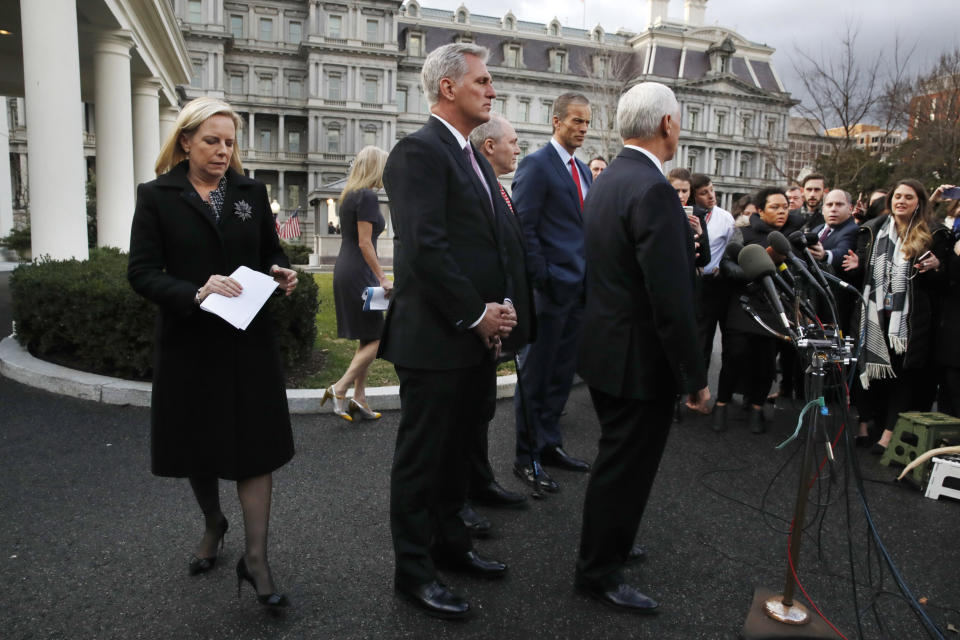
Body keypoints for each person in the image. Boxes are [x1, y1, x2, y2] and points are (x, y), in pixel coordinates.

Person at [127, 97, 298, 610]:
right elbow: (141, 272)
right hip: (190, 345)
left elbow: (270, 251)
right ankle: (212, 523)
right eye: (212, 141)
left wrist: (281, 270)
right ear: (185, 141)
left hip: (248, 343)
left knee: (256, 449)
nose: (224, 151)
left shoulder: (250, 192)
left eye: (229, 142)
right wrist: (194, 292)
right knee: (196, 445)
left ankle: (257, 560)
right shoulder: (157, 196)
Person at [379, 42, 521, 620]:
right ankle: (413, 573)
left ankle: (452, 547)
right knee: (423, 461)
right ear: (448, 88)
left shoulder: (469, 156)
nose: (492, 91)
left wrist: (499, 311)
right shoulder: (418, 153)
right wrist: (475, 313)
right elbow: (427, 251)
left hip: (470, 338)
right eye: (483, 82)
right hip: (435, 339)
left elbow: (489, 245)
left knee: (457, 459)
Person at [575, 81, 710, 612]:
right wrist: (694, 377)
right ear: (667, 125)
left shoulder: (610, 180)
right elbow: (670, 298)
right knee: (624, 468)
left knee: (618, 462)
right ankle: (598, 572)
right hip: (638, 359)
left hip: (608, 348)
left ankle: (613, 545)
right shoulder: (652, 188)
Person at [451, 114, 535, 527]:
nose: (518, 148)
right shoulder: (479, 191)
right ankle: (459, 498)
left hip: (497, 318)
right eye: (513, 141)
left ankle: (481, 482)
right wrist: (488, 312)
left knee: (482, 408)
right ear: (489, 147)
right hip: (475, 321)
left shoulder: (499, 190)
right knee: (463, 415)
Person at [512, 92, 593, 493]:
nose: (582, 129)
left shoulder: (585, 171)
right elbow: (523, 227)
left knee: (561, 375)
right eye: (576, 121)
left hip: (579, 291)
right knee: (536, 376)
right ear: (556, 122)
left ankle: (549, 444)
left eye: (586, 123)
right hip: (549, 291)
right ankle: (525, 457)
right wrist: (543, 277)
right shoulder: (536, 165)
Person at [841, 179, 950, 453]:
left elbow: (943, 281)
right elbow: (865, 273)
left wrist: (937, 266)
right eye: (897, 196)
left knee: (902, 377)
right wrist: (857, 266)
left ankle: (888, 434)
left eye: (908, 197)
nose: (900, 201)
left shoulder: (934, 232)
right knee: (869, 370)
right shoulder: (873, 228)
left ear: (919, 203)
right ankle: (865, 424)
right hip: (873, 316)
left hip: (909, 322)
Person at [713, 187, 804, 433]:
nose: (781, 211)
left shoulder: (792, 237)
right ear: (761, 210)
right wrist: (754, 273)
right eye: (775, 207)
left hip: (774, 308)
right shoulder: (742, 233)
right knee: (735, 356)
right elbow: (727, 264)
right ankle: (720, 405)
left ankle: (756, 407)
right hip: (743, 303)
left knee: (765, 364)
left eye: (785, 207)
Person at [324, 145, 392, 422]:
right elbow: (365, 242)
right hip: (360, 273)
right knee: (381, 336)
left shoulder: (350, 195)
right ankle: (340, 388)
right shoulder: (367, 196)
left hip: (348, 269)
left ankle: (359, 397)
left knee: (368, 335)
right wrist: (383, 277)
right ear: (376, 167)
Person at [690, 173, 735, 369]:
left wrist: (722, 265)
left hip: (714, 283)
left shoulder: (725, 218)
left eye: (712, 190)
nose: (711, 196)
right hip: (690, 283)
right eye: (703, 193)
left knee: (706, 336)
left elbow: (733, 248)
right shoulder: (686, 215)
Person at [809, 189, 859, 270]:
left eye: (839, 204)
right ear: (823, 209)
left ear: (850, 209)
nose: (833, 209)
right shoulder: (817, 229)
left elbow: (843, 252)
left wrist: (825, 255)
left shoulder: (853, 229)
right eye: (829, 205)